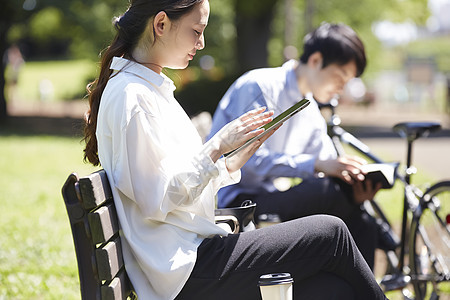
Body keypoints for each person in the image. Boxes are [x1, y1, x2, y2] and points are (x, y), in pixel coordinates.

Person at [82, 1, 387, 299]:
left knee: (336, 290)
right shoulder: (134, 97)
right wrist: (216, 147)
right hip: (185, 268)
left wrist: (227, 165)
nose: (201, 43)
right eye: (196, 30)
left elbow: (169, 189)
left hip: (190, 256)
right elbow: (156, 200)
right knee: (331, 234)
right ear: (160, 25)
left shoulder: (146, 90)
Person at [208, 22, 383, 270]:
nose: (341, 89)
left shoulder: (310, 109)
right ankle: (386, 241)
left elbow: (325, 162)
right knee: (331, 194)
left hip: (276, 198)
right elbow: (246, 161)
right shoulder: (260, 86)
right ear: (315, 60)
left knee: (360, 222)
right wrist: (318, 165)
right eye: (339, 78)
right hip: (239, 202)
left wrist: (352, 182)